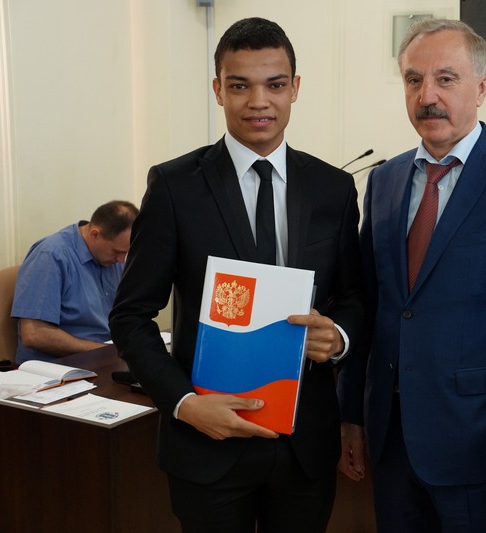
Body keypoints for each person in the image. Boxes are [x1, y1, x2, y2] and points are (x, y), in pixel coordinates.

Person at [108, 17, 363, 533]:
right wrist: (183, 404)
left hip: (304, 444)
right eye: (240, 85)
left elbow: (355, 295)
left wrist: (338, 336)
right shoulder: (175, 186)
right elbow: (131, 316)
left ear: (295, 88)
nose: (258, 102)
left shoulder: (333, 188)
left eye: (275, 84)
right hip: (206, 440)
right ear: (218, 90)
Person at [337, 19, 486, 532]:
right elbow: (372, 307)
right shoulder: (384, 181)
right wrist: (351, 414)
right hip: (391, 442)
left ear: (482, 87)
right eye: (413, 79)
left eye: (446, 79)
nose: (427, 95)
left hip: (482, 450)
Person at [11, 200, 138, 363]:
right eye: (116, 252)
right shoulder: (51, 256)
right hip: (57, 367)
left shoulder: (113, 259)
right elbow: (34, 334)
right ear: (95, 234)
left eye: (126, 253)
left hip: (105, 357)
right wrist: (105, 352)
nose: (121, 260)